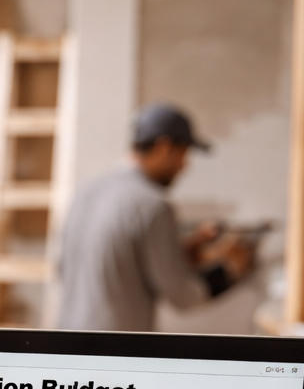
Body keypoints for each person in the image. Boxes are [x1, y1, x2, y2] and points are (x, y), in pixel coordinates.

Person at [56, 103, 254, 332]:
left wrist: (185, 251)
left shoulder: (85, 193)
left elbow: (93, 268)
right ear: (164, 147)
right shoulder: (152, 205)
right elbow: (184, 297)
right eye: (184, 154)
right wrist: (231, 268)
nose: (185, 166)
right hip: (116, 353)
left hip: (67, 345)